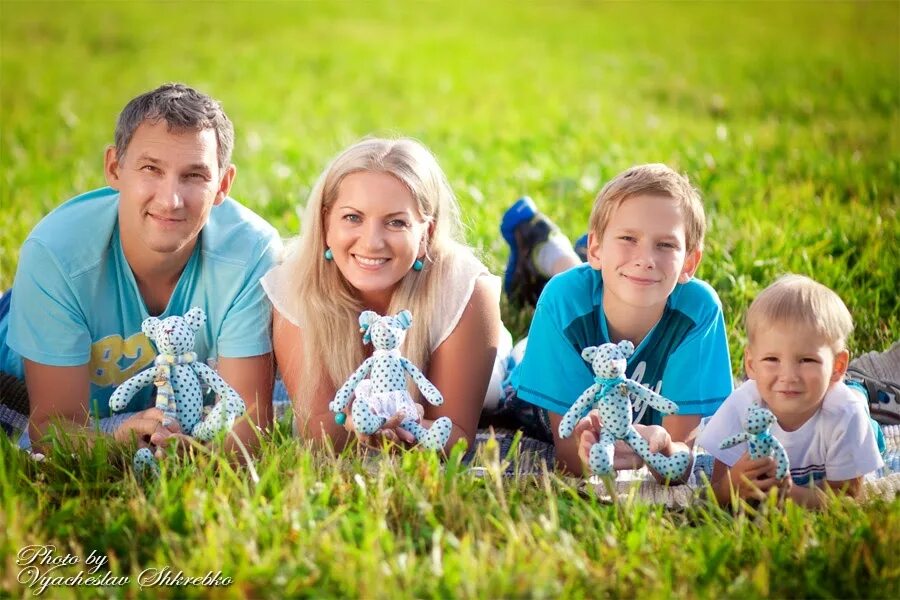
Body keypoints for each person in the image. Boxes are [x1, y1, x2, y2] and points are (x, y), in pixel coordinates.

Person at [0, 83, 281, 458]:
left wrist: (200, 457)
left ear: (223, 185)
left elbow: (248, 423)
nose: (170, 199)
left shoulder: (251, 251)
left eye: (194, 175)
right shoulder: (56, 252)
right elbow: (50, 430)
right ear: (115, 168)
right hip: (21, 376)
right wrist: (115, 440)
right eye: (151, 168)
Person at [262, 137, 507, 452]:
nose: (372, 242)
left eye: (396, 222)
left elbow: (456, 436)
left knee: (507, 388)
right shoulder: (296, 283)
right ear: (326, 222)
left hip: (494, 361)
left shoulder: (466, 289)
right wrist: (359, 428)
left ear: (426, 234)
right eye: (353, 217)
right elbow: (318, 432)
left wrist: (404, 427)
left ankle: (551, 256)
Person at [498, 164, 734, 477]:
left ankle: (550, 245)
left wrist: (662, 446)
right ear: (597, 249)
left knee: (606, 277)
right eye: (628, 238)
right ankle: (548, 248)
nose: (646, 259)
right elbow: (571, 460)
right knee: (569, 295)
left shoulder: (698, 312)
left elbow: (679, 457)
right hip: (536, 380)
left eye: (665, 245)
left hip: (597, 280)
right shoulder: (563, 301)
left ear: (690, 261)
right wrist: (594, 450)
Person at [697, 275, 884, 507]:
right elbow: (712, 492)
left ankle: (862, 389)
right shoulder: (743, 405)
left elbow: (848, 499)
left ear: (837, 366)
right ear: (751, 364)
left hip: (853, 411)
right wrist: (731, 486)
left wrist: (790, 494)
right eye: (772, 359)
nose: (788, 376)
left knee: (857, 403)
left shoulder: (845, 414)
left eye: (806, 360)